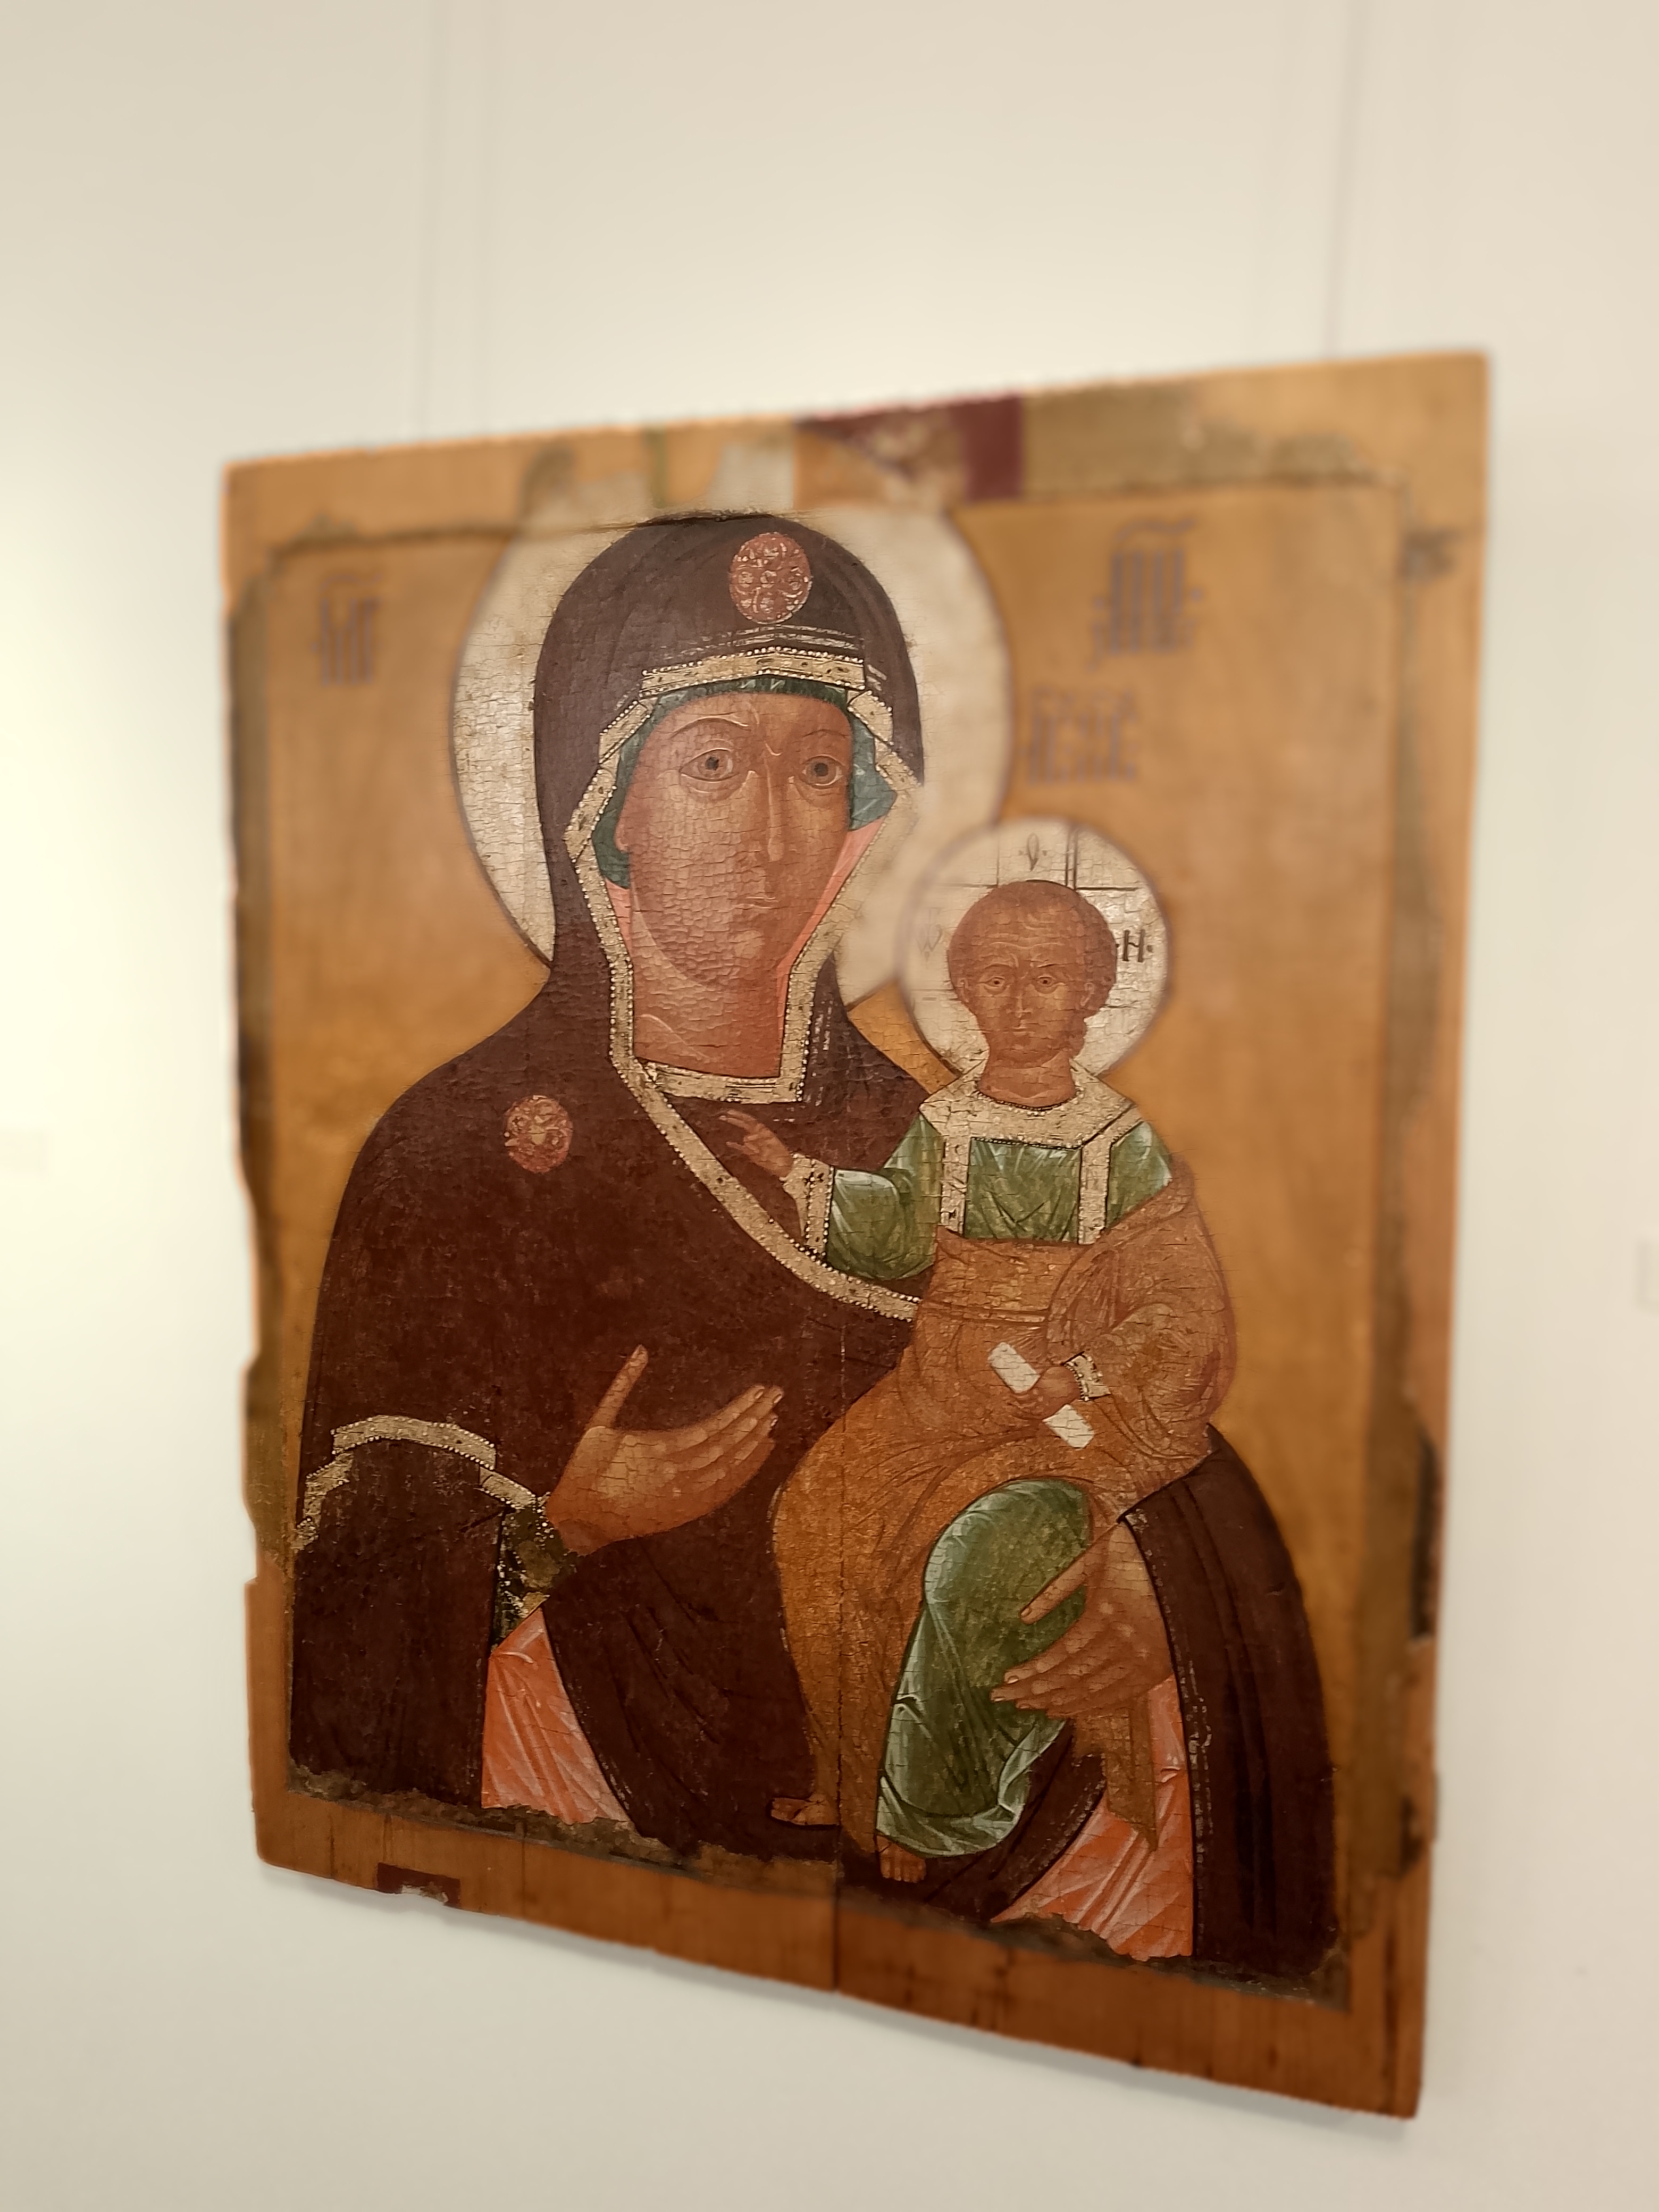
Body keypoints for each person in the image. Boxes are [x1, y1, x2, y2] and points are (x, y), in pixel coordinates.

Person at [288, 514, 1334, 1980]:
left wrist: (1142, 1591)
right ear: (606, 806)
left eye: (819, 770)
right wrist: (559, 1520)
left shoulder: (949, 1138)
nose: (771, 836)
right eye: (712, 764)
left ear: (867, 814)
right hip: (579, 1792)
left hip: (987, 1797)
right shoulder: (460, 1150)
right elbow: (353, 1575)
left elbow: (1152, 1400)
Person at [725, 877, 1226, 1936]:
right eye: (995, 978)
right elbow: (898, 1230)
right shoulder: (946, 1121)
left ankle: (932, 1809)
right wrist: (796, 1173)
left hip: (1061, 1406)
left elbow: (1175, 1299)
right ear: (964, 990)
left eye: (1047, 978)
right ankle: (848, 1780)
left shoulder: (1117, 1140)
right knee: (817, 1521)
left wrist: (1078, 1373)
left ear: (1091, 992)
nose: (1020, 1000)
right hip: (938, 1385)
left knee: (958, 1553)